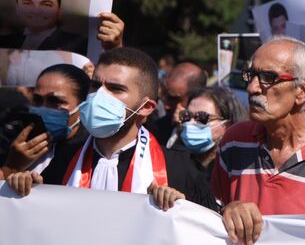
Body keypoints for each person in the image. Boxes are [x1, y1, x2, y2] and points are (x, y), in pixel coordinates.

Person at [6, 47, 217, 211]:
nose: (100, 96)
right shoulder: (63, 159)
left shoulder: (180, 170)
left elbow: (204, 229)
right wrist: (25, 187)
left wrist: (183, 208)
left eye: (115, 89)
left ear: (146, 108)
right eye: (96, 86)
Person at [211, 36, 305, 244]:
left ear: (302, 90)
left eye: (268, 77)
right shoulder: (234, 141)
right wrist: (227, 209)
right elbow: (209, 214)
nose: (252, 88)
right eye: (251, 75)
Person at [0, 64, 90, 179]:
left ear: (83, 106)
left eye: (55, 101)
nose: (44, 107)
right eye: (37, 100)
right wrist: (11, 167)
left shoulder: (88, 150)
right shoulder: (13, 137)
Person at [172, 86, 247, 180]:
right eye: (187, 115)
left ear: (226, 125)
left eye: (202, 117)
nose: (190, 123)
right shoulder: (172, 162)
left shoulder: (237, 173)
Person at [0, 0, 87, 54]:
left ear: (59, 11)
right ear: (17, 9)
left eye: (46, 4)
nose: (36, 10)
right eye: (27, 3)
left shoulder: (80, 45)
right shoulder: (4, 42)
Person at [147, 62, 207, 147]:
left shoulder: (206, 133)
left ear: (196, 97)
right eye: (165, 96)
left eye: (174, 99)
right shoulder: (157, 127)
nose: (166, 106)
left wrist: (184, 129)